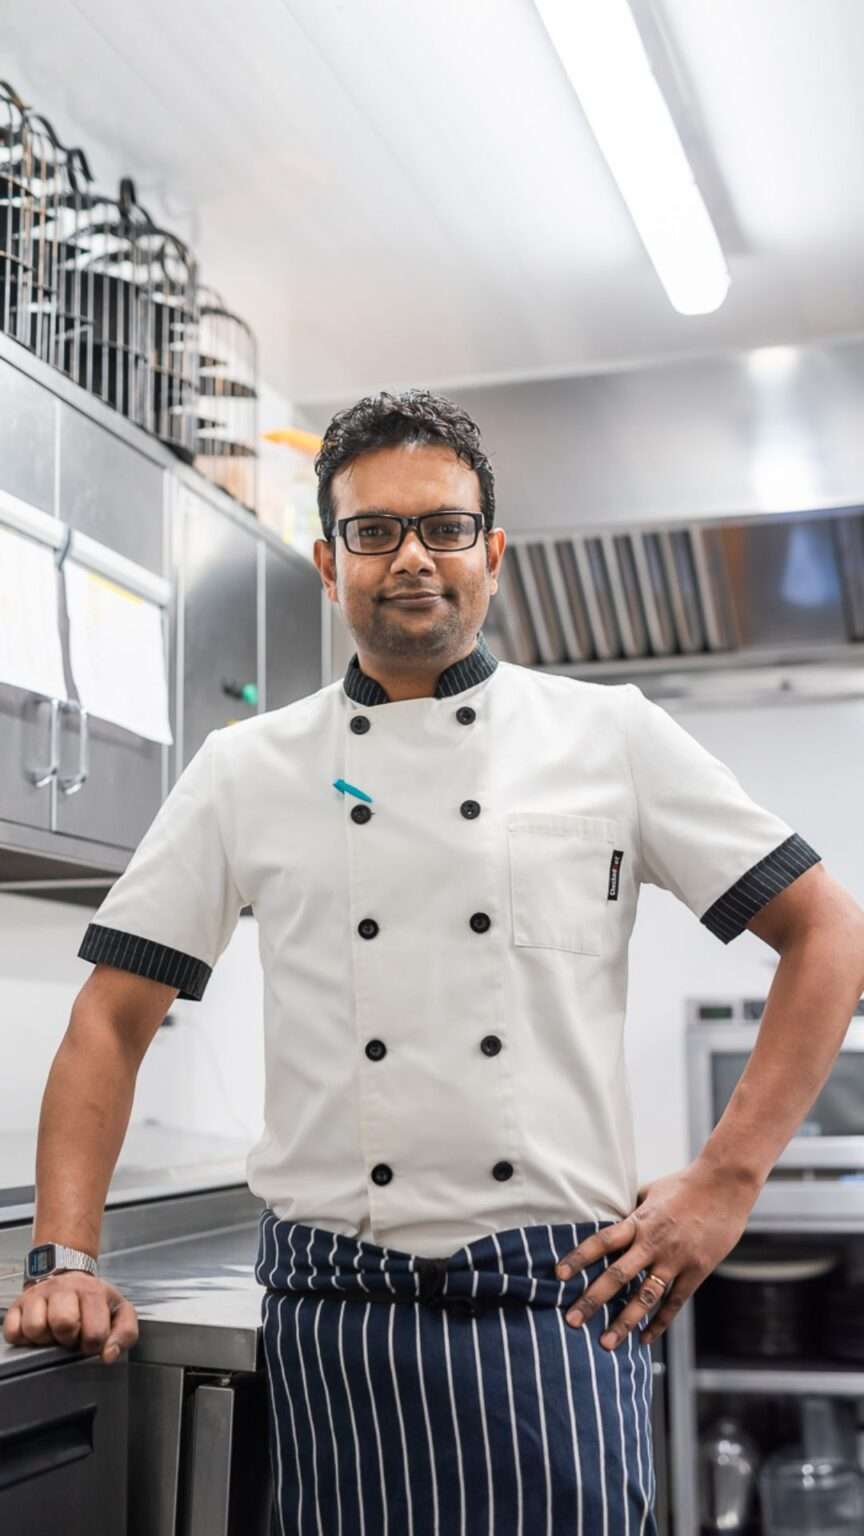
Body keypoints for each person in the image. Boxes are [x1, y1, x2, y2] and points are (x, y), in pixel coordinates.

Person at [5, 388, 864, 1536]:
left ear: (491, 555)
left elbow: (830, 933)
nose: (411, 556)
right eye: (374, 531)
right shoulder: (245, 768)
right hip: (336, 1312)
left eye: (444, 527)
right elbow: (111, 1018)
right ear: (330, 563)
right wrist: (63, 1254)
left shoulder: (610, 736)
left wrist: (727, 1181)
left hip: (556, 1307)